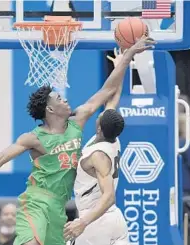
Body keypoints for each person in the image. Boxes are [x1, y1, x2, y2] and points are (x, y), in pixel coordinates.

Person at [0, 37, 156, 245]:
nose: (64, 99)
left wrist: (127, 57)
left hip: (59, 206)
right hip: (36, 201)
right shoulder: (34, 138)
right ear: (50, 109)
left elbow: (107, 91)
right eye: (58, 98)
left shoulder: (78, 120)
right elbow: (0, 157)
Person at [64, 48, 128, 245]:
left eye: (99, 116)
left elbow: (109, 196)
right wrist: (120, 67)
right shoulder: (112, 138)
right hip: (115, 220)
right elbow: (112, 99)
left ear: (99, 128)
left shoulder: (98, 156)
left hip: (95, 220)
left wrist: (82, 222)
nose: (99, 114)